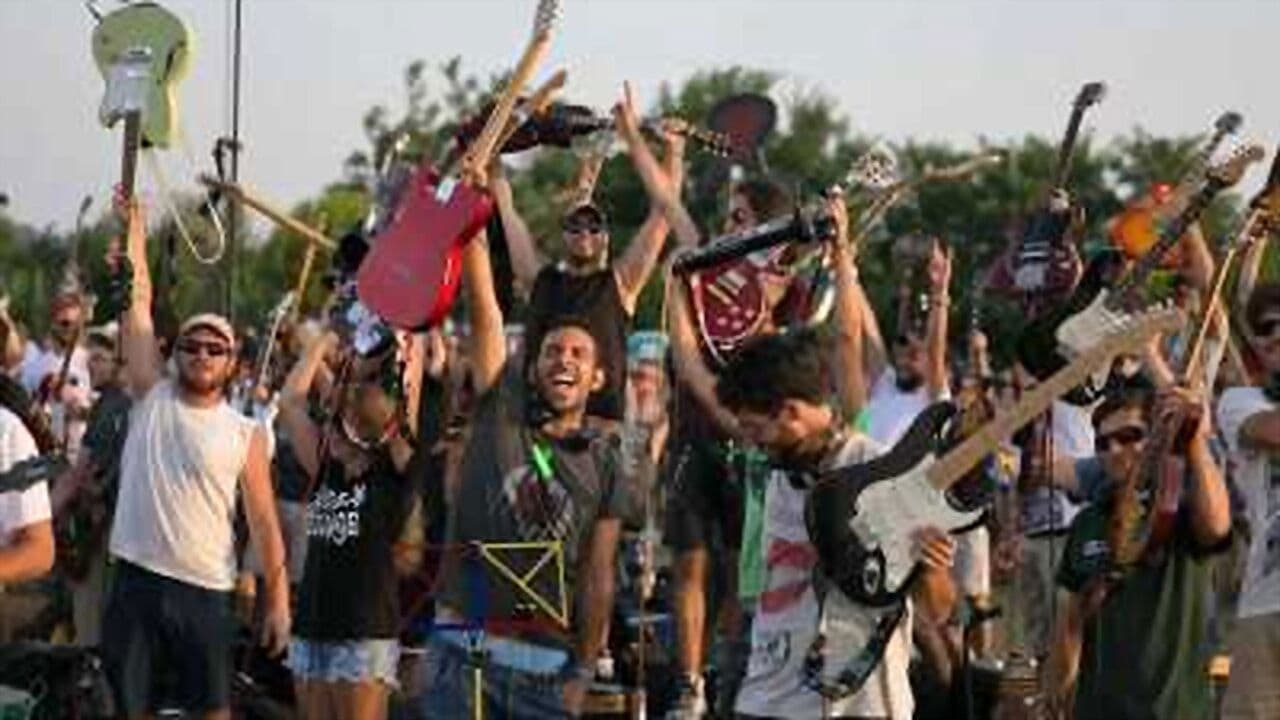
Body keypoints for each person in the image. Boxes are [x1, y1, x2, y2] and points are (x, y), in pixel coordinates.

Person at [416, 183, 629, 718]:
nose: (565, 360)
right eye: (553, 350)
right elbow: (485, 311)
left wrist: (585, 669)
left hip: (545, 670)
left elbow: (598, 575)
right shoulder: (501, 410)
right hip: (461, 653)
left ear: (598, 377)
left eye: (579, 353)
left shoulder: (608, 458)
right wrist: (473, 225)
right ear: (532, 368)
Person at [101, 199, 290, 720]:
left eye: (215, 348)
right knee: (129, 709)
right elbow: (138, 300)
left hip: (205, 590)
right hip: (135, 579)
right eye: (192, 345)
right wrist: (135, 228)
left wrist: (278, 600)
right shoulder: (151, 391)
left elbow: (264, 522)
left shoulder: (246, 434)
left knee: (212, 712)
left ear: (232, 363)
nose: (202, 354)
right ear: (175, 351)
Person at [711, 327, 957, 719]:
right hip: (767, 698)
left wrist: (932, 565)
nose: (751, 442)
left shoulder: (881, 474)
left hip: (858, 702)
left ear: (791, 413)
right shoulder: (781, 473)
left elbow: (936, 608)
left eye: (755, 428)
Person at [490, 83, 686, 425]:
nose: (585, 233)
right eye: (576, 226)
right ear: (562, 234)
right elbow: (507, 210)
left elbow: (663, 216)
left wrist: (674, 154)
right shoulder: (540, 279)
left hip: (600, 433)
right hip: (538, 428)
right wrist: (492, 142)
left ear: (606, 238)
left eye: (594, 227)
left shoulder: (620, 283)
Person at [1043, 384, 1231, 720]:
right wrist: (1055, 696)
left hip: (1174, 711)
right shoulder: (1088, 521)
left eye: (1129, 436)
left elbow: (1217, 525)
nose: (1114, 450)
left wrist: (1192, 437)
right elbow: (1070, 622)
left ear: (1157, 437)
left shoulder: (1181, 508)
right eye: (1102, 443)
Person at [277, 330, 423, 720]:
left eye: (339, 424)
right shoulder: (326, 468)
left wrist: (408, 345)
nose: (328, 431)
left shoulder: (391, 476)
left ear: (367, 429)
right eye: (329, 422)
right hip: (312, 625)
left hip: (362, 633)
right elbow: (289, 402)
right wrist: (321, 342)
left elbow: (404, 413)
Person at [1214, 282, 1280, 719]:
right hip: (1267, 606)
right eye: (1266, 327)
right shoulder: (1240, 400)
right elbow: (1273, 432)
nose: (1277, 334)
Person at [50, 324, 130, 646]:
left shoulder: (112, 405)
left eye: (100, 359)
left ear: (119, 363)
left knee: (89, 615)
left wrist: (45, 515)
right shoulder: (121, 403)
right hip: (118, 525)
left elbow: (79, 474)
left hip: (103, 524)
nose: (91, 366)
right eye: (90, 358)